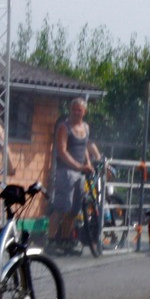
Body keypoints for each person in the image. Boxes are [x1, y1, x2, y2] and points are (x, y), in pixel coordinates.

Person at [47, 97, 101, 254]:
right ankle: (50, 241)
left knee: (74, 210)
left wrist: (88, 163)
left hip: (80, 173)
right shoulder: (65, 127)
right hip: (66, 172)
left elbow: (84, 147)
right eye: (74, 109)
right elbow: (62, 152)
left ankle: (64, 241)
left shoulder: (86, 127)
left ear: (84, 112)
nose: (77, 112)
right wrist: (79, 166)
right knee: (61, 207)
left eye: (80, 110)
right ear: (71, 110)